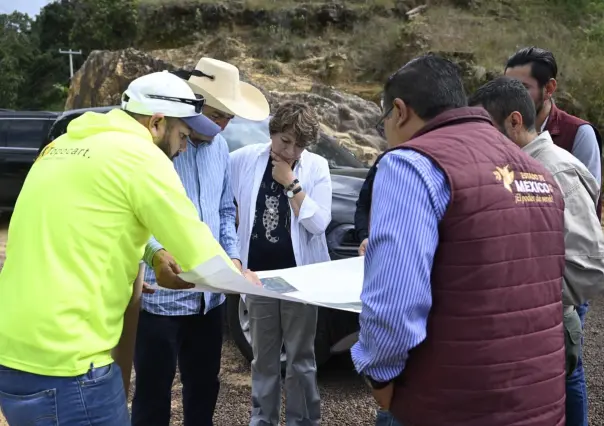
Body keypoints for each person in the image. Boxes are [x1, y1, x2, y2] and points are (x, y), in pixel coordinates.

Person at [0, 71, 260, 425]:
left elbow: (96, 221)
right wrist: (243, 282)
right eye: (183, 135)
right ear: (156, 123)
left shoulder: (61, 147)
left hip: (14, 358)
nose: (185, 147)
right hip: (71, 366)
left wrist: (152, 254)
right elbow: (197, 251)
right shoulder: (141, 156)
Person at [351, 54, 567, 426]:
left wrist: (379, 375)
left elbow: (396, 305)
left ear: (399, 111)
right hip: (540, 400)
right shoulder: (538, 173)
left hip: (453, 404)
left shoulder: (410, 164)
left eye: (382, 119)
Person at [132, 58, 270, 426]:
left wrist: (234, 261)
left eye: (228, 117)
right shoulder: (154, 149)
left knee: (204, 389)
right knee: (151, 396)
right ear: (191, 107)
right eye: (215, 114)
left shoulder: (220, 150)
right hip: (161, 299)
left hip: (208, 300)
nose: (222, 125)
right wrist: (153, 259)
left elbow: (225, 211)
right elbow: (138, 217)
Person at [469, 75, 604, 381]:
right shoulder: (507, 169)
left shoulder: (558, 171)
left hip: (548, 330)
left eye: (483, 131)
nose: (476, 142)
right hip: (515, 330)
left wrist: (517, 295)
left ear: (514, 122)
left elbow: (590, 268)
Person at [505, 46, 602, 426]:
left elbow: (588, 207)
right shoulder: (503, 132)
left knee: (568, 366)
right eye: (508, 85)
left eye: (523, 86)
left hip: (562, 268)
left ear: (549, 88)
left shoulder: (577, 134)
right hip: (521, 273)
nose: (514, 94)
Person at [230, 101, 332, 426]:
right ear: (273, 133)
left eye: (299, 145)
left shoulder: (315, 167)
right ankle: (263, 420)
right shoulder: (247, 159)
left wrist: (291, 182)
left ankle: (303, 422)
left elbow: (319, 224)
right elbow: (223, 196)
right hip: (258, 277)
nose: (291, 150)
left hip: (300, 280)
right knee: (264, 360)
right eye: (285, 141)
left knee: (302, 359)